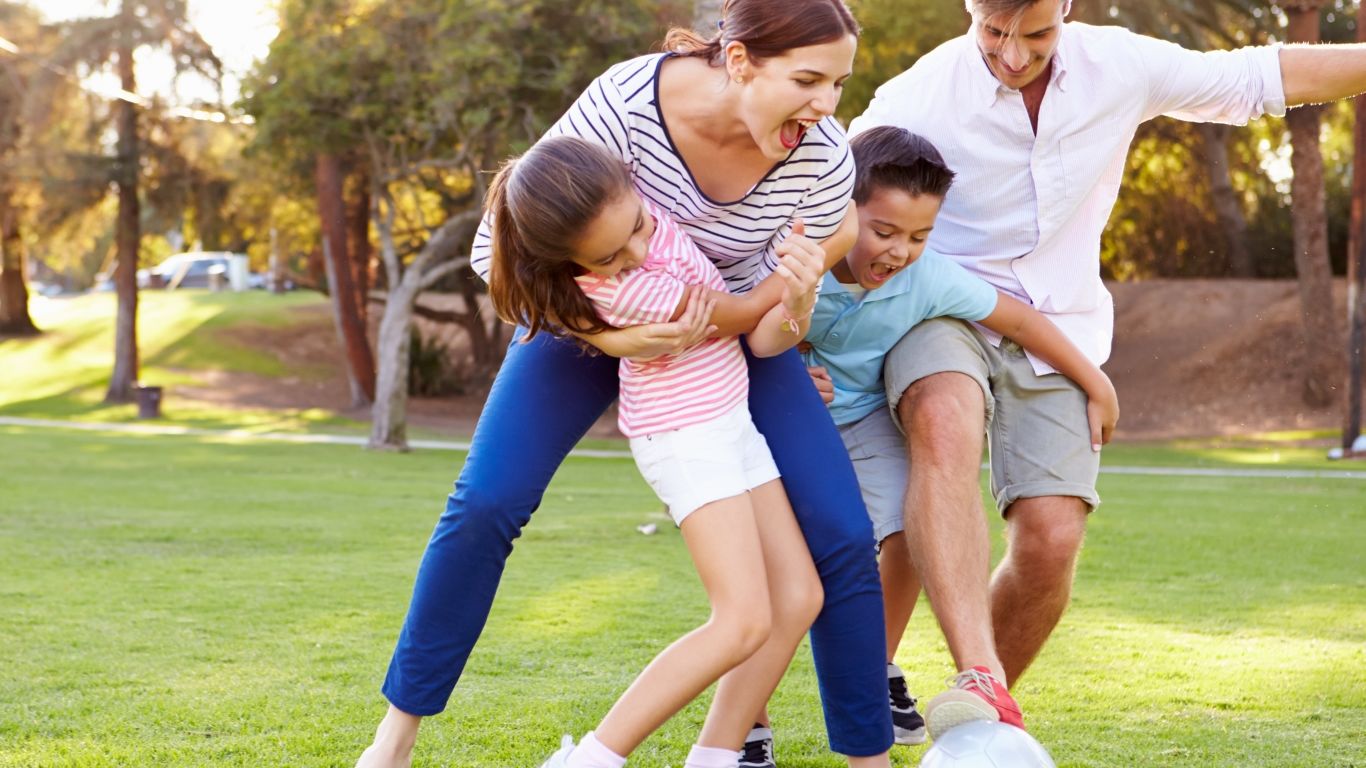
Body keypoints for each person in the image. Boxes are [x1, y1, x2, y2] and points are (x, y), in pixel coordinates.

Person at [357, 2, 896, 767]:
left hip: (727, 333)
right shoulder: (625, 104)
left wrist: (799, 294)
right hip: (590, 323)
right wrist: (611, 337)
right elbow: (494, 251)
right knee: (486, 503)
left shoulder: (820, 156)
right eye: (807, 80)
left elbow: (792, 284)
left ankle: (855, 757)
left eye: (839, 83)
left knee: (840, 537)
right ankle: (395, 738)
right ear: (739, 61)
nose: (826, 106)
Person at [847, 0, 1366, 740]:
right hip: (942, 310)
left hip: (1059, 327)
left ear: (1066, 9)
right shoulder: (917, 97)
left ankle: (967, 723)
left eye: (1036, 35)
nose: (1014, 56)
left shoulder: (1117, 65)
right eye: (994, 33)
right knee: (943, 416)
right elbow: (822, 192)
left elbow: (1258, 75)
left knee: (1051, 540)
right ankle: (981, 679)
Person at [483, 135, 826, 768]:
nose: (638, 252)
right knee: (743, 619)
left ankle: (716, 757)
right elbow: (749, 310)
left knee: (799, 596)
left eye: (638, 226)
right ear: (572, 262)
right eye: (611, 256)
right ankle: (590, 759)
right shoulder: (625, 293)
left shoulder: (640, 210)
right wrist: (812, 253)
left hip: (729, 421)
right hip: (685, 435)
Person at [797, 126, 1117, 744]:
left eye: (918, 236)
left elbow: (1018, 318)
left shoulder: (927, 279)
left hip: (862, 422)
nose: (899, 251)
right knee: (784, 573)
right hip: (792, 426)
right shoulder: (798, 258)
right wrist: (786, 373)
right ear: (841, 208)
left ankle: (874, 670)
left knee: (910, 530)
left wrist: (1093, 381)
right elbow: (744, 329)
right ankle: (745, 727)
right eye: (884, 232)